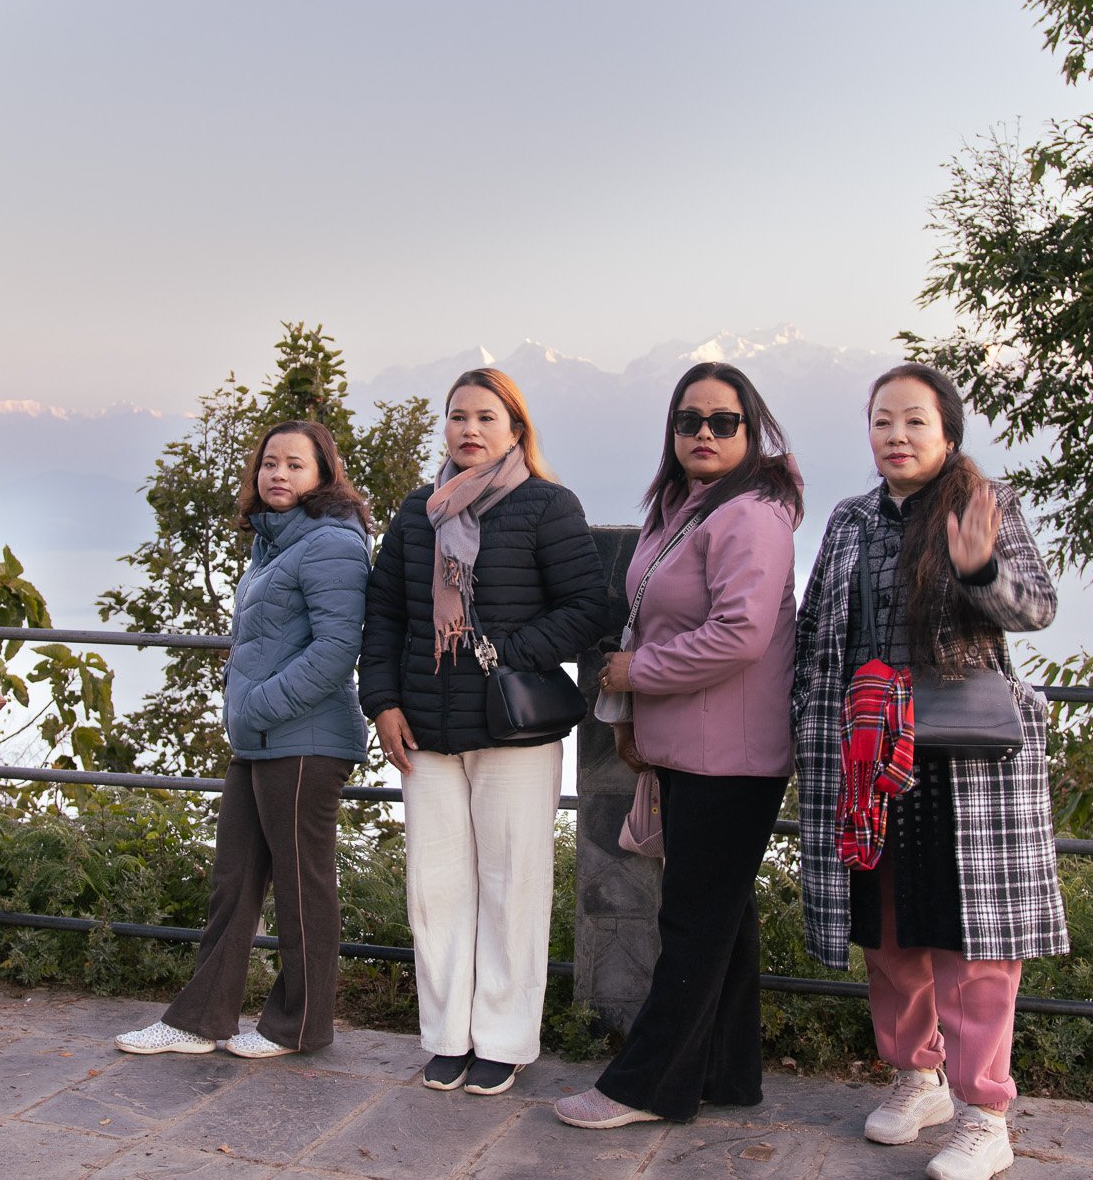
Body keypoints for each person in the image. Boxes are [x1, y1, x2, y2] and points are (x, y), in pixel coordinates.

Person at [791, 363, 1063, 1180]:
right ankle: (918, 1076)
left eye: (914, 420)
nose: (897, 436)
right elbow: (815, 629)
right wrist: (804, 721)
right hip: (867, 752)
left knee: (972, 940)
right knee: (887, 927)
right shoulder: (850, 518)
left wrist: (979, 569)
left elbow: (1037, 607)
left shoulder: (984, 503)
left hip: (963, 760)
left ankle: (985, 1112)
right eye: (883, 421)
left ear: (948, 431)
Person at [555, 363, 803, 1128]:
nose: (703, 432)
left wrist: (637, 674)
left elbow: (739, 634)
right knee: (721, 917)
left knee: (694, 921)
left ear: (751, 430)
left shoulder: (752, 514)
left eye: (723, 421)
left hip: (732, 756)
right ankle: (727, 1074)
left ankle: (643, 1086)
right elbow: (652, 611)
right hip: (692, 748)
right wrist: (634, 716)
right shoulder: (683, 507)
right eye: (689, 419)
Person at [360, 368, 612, 1096]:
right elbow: (385, 614)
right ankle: (447, 1036)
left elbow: (587, 607)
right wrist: (382, 702)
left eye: (485, 417)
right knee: (434, 886)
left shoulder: (546, 505)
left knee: (512, 883)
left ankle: (502, 1039)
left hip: (512, 727)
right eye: (457, 416)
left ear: (515, 429)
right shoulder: (420, 511)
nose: (469, 429)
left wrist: (506, 650)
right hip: (424, 726)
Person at [116, 421, 373, 1060]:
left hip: (306, 742)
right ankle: (200, 1020)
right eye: (269, 462)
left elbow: (337, 649)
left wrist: (255, 704)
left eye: (295, 464)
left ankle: (299, 1027)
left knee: (302, 887)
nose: (278, 474)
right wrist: (249, 708)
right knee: (233, 881)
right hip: (263, 737)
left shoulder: (332, 543)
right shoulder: (274, 542)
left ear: (323, 475)